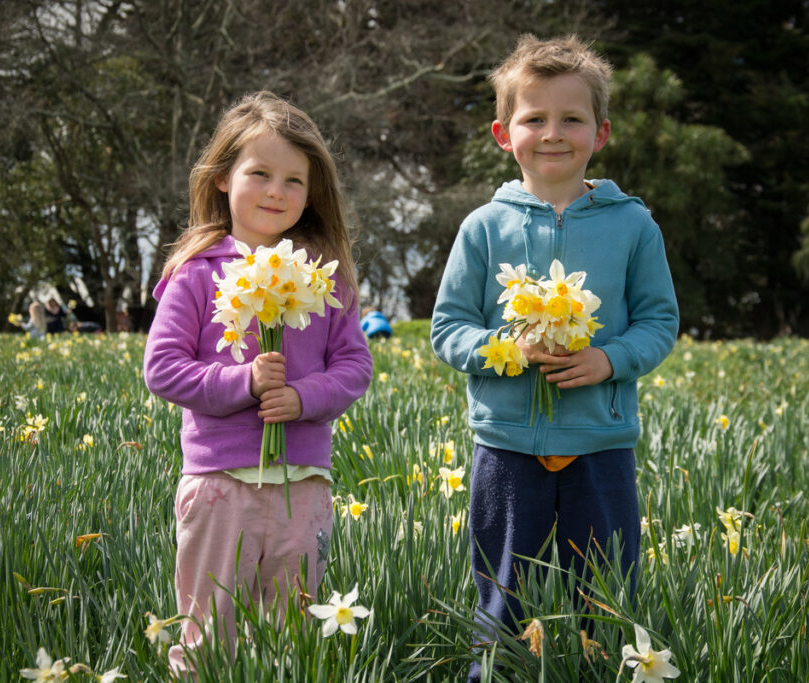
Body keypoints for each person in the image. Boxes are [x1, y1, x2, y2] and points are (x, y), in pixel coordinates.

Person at [429, 35, 679, 678]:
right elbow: (448, 328)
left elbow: (659, 320)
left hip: (600, 441)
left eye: (572, 118)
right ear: (502, 133)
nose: (553, 132)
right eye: (533, 118)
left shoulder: (633, 225)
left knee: (606, 598)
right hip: (507, 443)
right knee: (503, 595)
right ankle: (497, 673)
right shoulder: (483, 226)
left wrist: (610, 360)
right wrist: (504, 351)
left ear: (601, 133)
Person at [143, 91, 372, 675]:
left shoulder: (323, 276)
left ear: (312, 192)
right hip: (222, 482)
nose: (277, 191)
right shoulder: (196, 270)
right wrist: (242, 382)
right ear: (222, 178)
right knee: (207, 635)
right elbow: (162, 368)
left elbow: (354, 366)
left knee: (292, 636)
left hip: (304, 482)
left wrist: (303, 398)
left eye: (295, 181)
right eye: (260, 173)